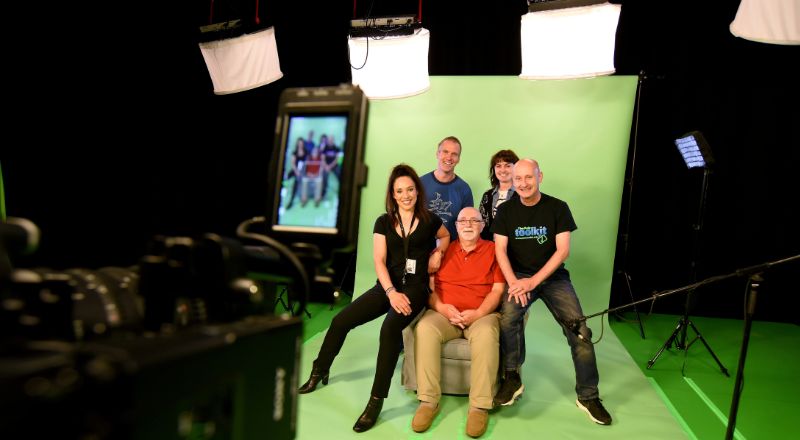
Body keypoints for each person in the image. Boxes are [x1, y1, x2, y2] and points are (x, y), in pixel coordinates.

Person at [297, 163, 451, 433]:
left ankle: (376, 400)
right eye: (399, 191)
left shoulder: (429, 220)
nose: (406, 195)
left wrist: (438, 252)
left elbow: (446, 235)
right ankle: (318, 371)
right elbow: (379, 261)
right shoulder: (383, 221)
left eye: (410, 189)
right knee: (342, 320)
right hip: (387, 286)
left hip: (415, 289)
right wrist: (390, 292)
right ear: (393, 194)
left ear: (417, 191)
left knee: (390, 328)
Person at [491, 158, 612, 425]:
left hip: (553, 277)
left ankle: (588, 395)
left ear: (540, 177)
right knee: (509, 318)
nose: (523, 183)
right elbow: (500, 250)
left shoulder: (558, 208)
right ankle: (512, 377)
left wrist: (533, 282)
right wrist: (514, 283)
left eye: (528, 178)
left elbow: (562, 251)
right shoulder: (506, 211)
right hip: (519, 277)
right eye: (518, 179)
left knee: (580, 331)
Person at [411, 207, 505, 438]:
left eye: (475, 220)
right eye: (463, 220)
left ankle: (479, 406)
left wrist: (479, 312)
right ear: (455, 226)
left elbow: (498, 290)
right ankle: (428, 401)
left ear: (483, 226)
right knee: (424, 328)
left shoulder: (495, 251)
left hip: (481, 314)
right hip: (445, 314)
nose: (468, 224)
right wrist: (442, 308)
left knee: (486, 335)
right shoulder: (442, 251)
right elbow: (429, 290)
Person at [420, 136, 474, 241]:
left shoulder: (464, 189)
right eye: (445, 152)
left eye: (454, 154)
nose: (449, 157)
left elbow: (467, 224)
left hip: (452, 250)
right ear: (437, 154)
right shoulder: (420, 183)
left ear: (458, 159)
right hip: (422, 248)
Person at [478, 149, 519, 241]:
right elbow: (481, 224)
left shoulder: (522, 194)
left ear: (516, 168)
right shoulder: (487, 195)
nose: (502, 170)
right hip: (490, 247)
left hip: (515, 248)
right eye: (498, 166)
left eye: (507, 166)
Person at [285, 137, 307, 209]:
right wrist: (296, 171)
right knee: (286, 177)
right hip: (295, 170)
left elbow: (307, 163)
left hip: (302, 172)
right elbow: (293, 163)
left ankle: (291, 201)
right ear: (297, 144)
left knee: (296, 183)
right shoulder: (294, 152)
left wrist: (300, 172)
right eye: (299, 143)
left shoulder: (306, 152)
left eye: (301, 143)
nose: (300, 144)